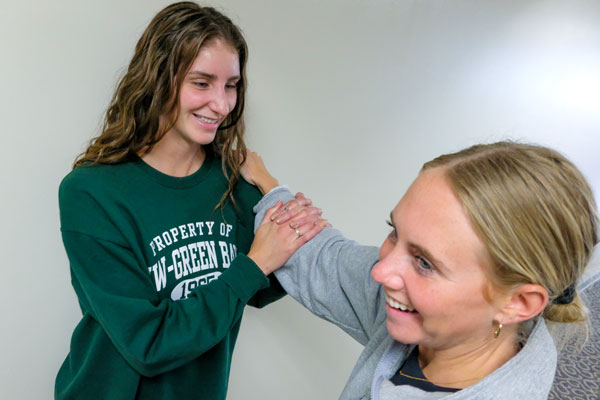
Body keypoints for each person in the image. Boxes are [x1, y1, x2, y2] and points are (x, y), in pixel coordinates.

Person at [55, 3, 324, 399]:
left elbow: (265, 286)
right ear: (158, 78)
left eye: (231, 85)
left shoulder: (233, 184)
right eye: (201, 83)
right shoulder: (91, 193)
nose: (221, 104)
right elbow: (148, 342)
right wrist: (255, 262)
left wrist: (270, 189)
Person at [245, 141, 599, 399]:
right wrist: (269, 184)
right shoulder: (459, 324)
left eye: (425, 263)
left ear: (519, 302)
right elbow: (329, 260)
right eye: (393, 231)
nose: (381, 272)